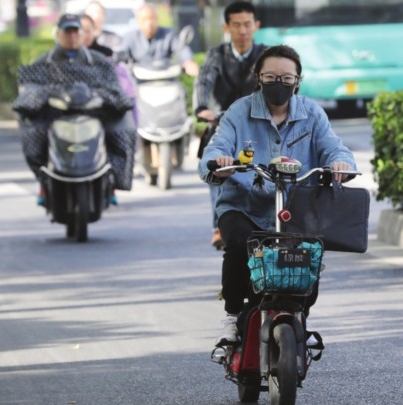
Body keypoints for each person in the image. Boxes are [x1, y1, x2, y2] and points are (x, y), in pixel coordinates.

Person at [198, 45, 357, 345]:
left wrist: (341, 164)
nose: (279, 83)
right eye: (271, 76)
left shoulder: (312, 113)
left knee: (309, 253)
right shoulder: (238, 111)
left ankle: (300, 317)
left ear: (298, 80)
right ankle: (232, 317)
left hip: (295, 207)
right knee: (240, 245)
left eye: (287, 78)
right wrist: (219, 163)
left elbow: (334, 147)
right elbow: (217, 147)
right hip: (242, 206)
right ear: (258, 78)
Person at [13, 14, 135, 205]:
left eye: (75, 31)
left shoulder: (99, 61)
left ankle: (111, 181)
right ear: (58, 34)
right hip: (53, 115)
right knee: (32, 134)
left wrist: (100, 97)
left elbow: (114, 88)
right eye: (67, 31)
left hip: (94, 113)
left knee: (124, 130)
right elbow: (28, 89)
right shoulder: (43, 62)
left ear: (81, 34)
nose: (71, 36)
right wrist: (44, 96)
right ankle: (44, 181)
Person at [194, 1, 266, 250]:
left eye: (247, 24)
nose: (242, 31)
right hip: (221, 123)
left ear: (256, 26)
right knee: (216, 167)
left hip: (257, 127)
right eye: (236, 25)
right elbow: (203, 81)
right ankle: (219, 226)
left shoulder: (265, 55)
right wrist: (202, 108)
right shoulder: (217, 54)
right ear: (227, 27)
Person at [121, 3, 199, 77]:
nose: (149, 23)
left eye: (152, 18)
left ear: (157, 19)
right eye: (144, 19)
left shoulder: (169, 34)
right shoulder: (130, 37)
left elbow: (181, 49)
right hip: (140, 81)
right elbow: (122, 54)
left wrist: (188, 61)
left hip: (166, 79)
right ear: (138, 21)